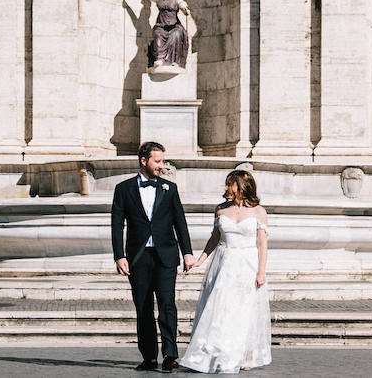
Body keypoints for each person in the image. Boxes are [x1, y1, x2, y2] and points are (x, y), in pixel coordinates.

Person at [112, 141, 195, 371]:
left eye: (162, 161)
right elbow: (117, 224)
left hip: (166, 256)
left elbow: (180, 222)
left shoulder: (170, 188)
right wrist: (119, 255)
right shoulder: (123, 189)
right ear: (143, 160)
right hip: (138, 257)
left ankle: (170, 354)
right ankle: (148, 357)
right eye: (157, 161)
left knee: (167, 304)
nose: (161, 166)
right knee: (143, 308)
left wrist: (187, 252)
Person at [180, 170, 272, 373]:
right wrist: (200, 260)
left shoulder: (259, 212)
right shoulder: (220, 210)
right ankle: (216, 351)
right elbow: (214, 238)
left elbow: (262, 244)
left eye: (229, 184)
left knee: (244, 309)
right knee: (220, 308)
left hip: (247, 262)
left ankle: (242, 353)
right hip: (223, 261)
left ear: (241, 187)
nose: (225, 188)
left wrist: (261, 272)